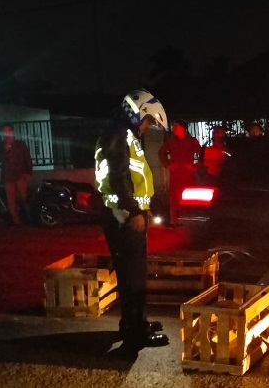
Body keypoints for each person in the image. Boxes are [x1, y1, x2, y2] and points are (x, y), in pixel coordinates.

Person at [94, 89, 169, 348]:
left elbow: (136, 177)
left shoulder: (125, 134)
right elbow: (119, 176)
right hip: (123, 216)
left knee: (133, 274)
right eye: (149, 121)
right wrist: (134, 210)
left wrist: (143, 206)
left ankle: (135, 322)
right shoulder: (118, 133)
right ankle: (135, 332)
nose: (148, 127)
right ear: (138, 112)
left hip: (126, 213)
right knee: (132, 276)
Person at [157, 119, 202, 227]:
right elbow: (161, 152)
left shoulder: (192, 141)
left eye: (176, 127)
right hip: (176, 174)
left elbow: (201, 154)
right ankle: (174, 221)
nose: (174, 129)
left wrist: (195, 166)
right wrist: (168, 164)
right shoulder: (171, 141)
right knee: (174, 198)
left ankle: (189, 220)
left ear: (183, 128)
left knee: (189, 197)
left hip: (188, 175)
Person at [0, 123, 33, 226]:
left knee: (25, 197)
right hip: (8, 176)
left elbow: (27, 159)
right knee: (11, 199)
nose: (7, 133)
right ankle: (16, 220)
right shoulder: (0, 145)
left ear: (12, 132)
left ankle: (30, 218)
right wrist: (6, 150)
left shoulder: (20, 144)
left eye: (9, 130)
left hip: (21, 174)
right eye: (5, 131)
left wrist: (29, 173)